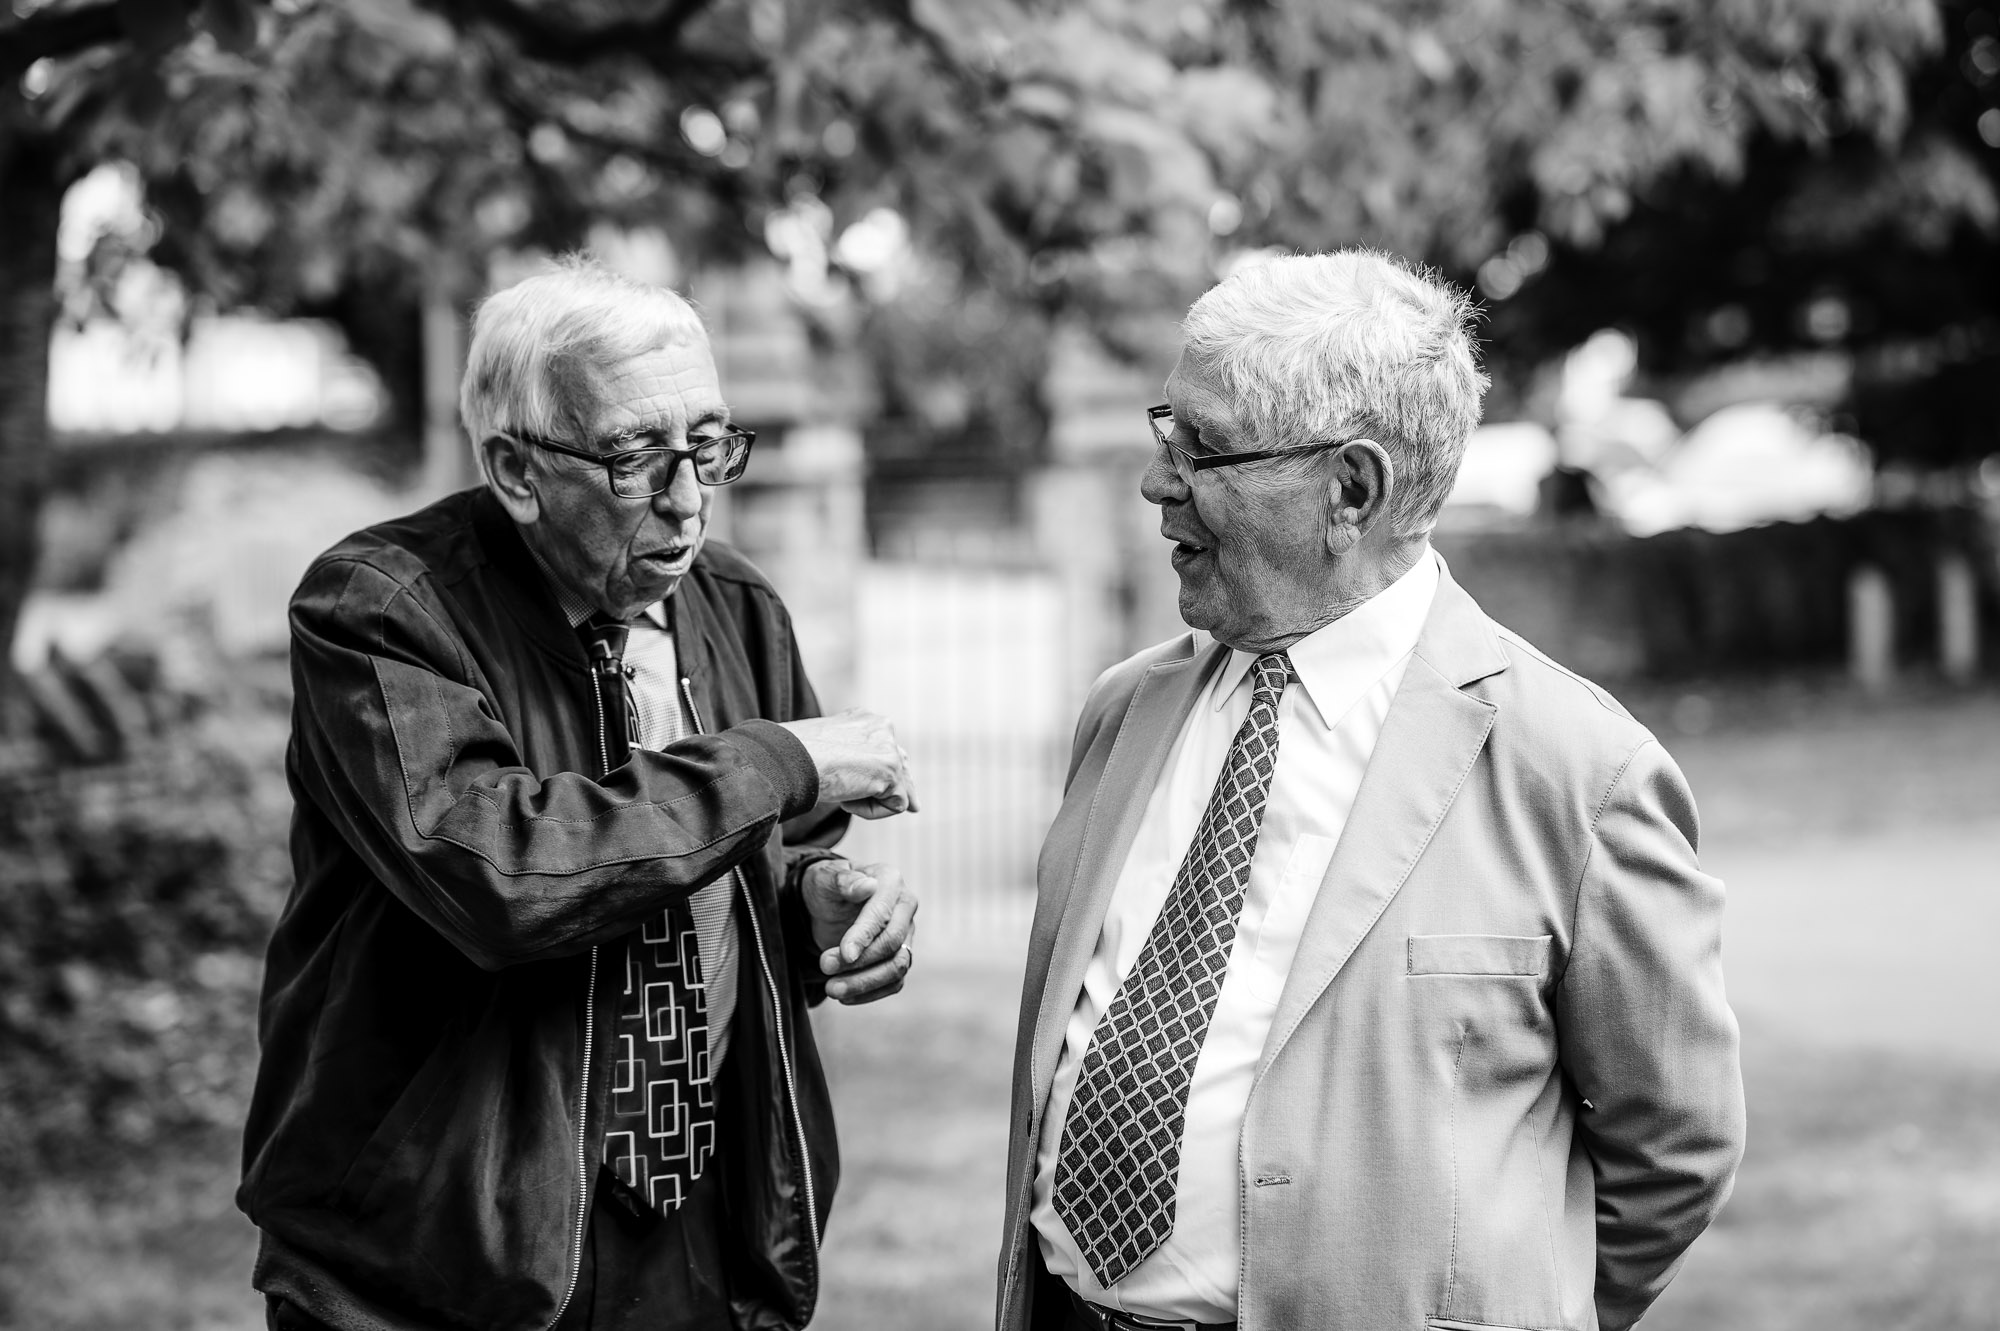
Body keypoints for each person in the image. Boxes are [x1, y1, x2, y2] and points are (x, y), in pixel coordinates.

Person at [998, 250, 1744, 1331]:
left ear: (1350, 487)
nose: (1158, 479)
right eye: (1171, 430)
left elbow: (1674, 1146)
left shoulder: (1575, 771)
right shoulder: (1123, 712)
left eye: (1202, 448)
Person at [239, 257, 919, 1331]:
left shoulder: (737, 607)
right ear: (515, 468)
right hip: (431, 1256)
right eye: (637, 457)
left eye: (707, 446)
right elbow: (502, 873)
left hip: (698, 1229)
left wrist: (814, 907)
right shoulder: (379, 610)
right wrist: (773, 758)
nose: (688, 500)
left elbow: (763, 855)